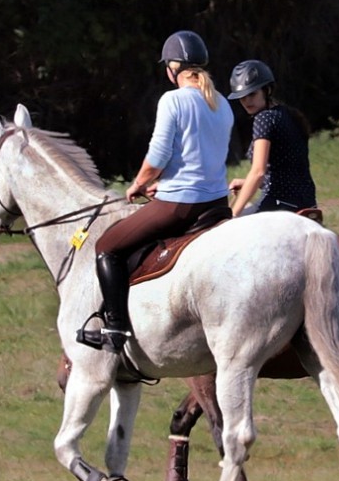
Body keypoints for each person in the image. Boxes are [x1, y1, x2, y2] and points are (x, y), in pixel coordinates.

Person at [77, 30, 233, 353]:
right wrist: (166, 181)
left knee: (107, 247)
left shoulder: (172, 100)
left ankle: (115, 330)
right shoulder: (223, 104)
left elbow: (157, 158)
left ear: (173, 68)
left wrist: (139, 184)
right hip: (218, 204)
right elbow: (203, 158)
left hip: (180, 207)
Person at [225, 59, 316, 216]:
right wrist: (247, 183)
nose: (246, 101)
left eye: (252, 94)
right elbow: (286, 172)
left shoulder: (264, 119)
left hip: (278, 204)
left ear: (267, 90)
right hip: (308, 203)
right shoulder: (290, 115)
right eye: (242, 97)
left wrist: (231, 214)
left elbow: (258, 172)